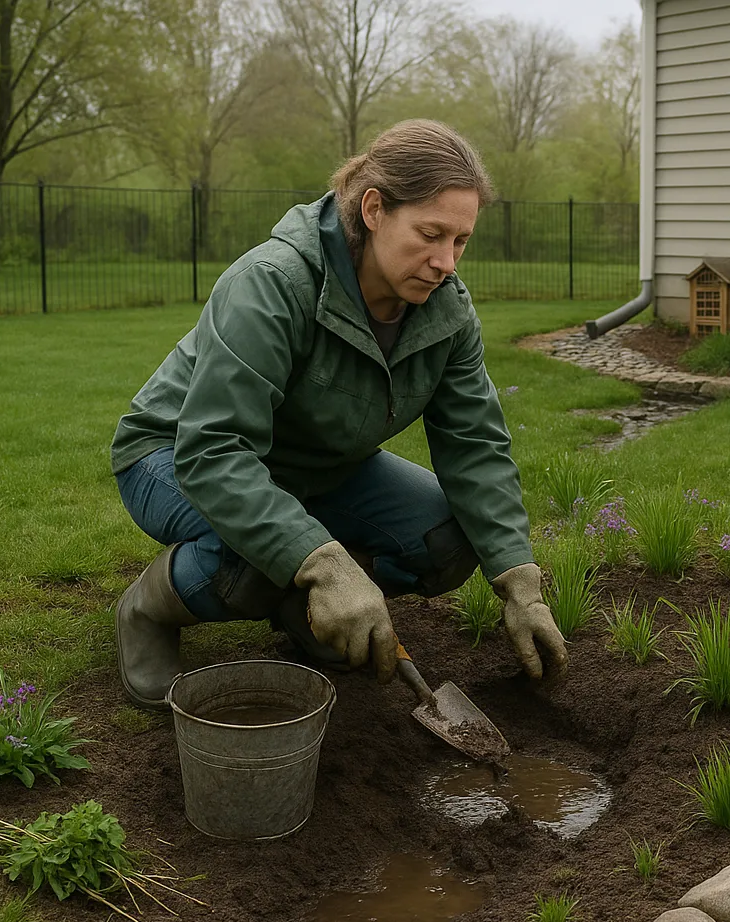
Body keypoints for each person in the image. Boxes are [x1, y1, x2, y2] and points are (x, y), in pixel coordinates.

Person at [109, 119, 566, 709]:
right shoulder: (273, 283)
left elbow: (475, 444)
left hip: (315, 468)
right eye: (429, 234)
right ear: (373, 209)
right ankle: (148, 608)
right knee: (261, 560)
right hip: (174, 454)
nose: (446, 262)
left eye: (460, 241)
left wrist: (519, 582)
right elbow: (215, 450)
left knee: (448, 538)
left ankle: (310, 619)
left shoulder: (446, 312)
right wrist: (324, 564)